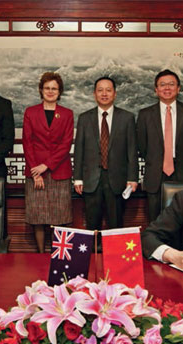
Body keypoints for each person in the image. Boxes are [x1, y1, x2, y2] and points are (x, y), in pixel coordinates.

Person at [74, 76, 138, 231]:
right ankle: (93, 253)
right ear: (94, 94)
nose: (104, 94)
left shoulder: (127, 118)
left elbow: (132, 150)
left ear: (115, 94)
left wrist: (132, 178)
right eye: (100, 90)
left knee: (115, 223)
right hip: (91, 180)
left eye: (108, 90)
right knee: (92, 224)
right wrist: (77, 178)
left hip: (117, 180)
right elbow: (79, 150)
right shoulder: (84, 118)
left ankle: (114, 255)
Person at [137, 69, 183, 222]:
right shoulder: (145, 114)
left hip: (182, 172)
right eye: (162, 85)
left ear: (178, 88)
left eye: (171, 84)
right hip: (155, 174)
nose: (167, 88)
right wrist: (157, 160)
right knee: (154, 218)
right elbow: (142, 145)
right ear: (156, 89)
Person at [22, 72, 74, 253]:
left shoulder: (67, 114)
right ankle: (41, 256)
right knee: (38, 217)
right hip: (35, 173)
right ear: (41, 90)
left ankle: (58, 256)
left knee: (59, 217)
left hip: (59, 172)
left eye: (54, 88)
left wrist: (46, 165)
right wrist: (37, 173)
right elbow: (27, 143)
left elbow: (66, 144)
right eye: (47, 88)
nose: (50, 92)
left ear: (60, 92)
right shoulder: (30, 112)